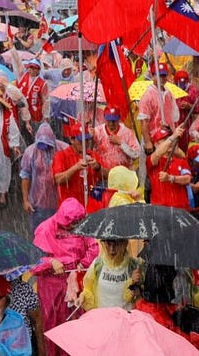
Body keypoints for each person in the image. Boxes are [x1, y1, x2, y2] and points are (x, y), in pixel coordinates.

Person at [31, 198, 98, 352]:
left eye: (77, 224)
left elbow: (94, 248)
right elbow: (34, 262)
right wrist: (51, 262)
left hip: (78, 283)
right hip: (52, 289)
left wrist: (81, 266)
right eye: (71, 225)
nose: (75, 228)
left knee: (79, 324)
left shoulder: (83, 225)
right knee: (53, 326)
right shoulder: (46, 229)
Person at [20, 123, 66, 232]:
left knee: (57, 234)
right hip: (37, 202)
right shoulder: (30, 152)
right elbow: (25, 176)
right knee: (39, 233)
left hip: (58, 201)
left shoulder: (62, 148)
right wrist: (25, 200)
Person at [80, 238, 142, 310]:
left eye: (116, 245)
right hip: (103, 317)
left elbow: (139, 297)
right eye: (108, 244)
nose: (112, 249)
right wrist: (83, 297)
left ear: (124, 244)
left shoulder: (133, 266)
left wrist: (134, 284)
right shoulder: (98, 264)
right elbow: (88, 288)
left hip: (125, 318)